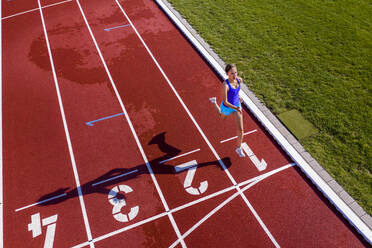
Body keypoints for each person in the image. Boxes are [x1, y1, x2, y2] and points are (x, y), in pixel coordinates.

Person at [209, 64, 245, 157]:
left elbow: (236, 92)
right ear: (227, 74)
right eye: (232, 73)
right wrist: (235, 108)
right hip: (227, 107)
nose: (235, 75)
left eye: (235, 72)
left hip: (236, 106)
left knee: (240, 129)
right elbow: (225, 101)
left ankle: (239, 148)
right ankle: (214, 103)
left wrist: (239, 97)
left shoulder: (239, 80)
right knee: (222, 117)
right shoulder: (225, 85)